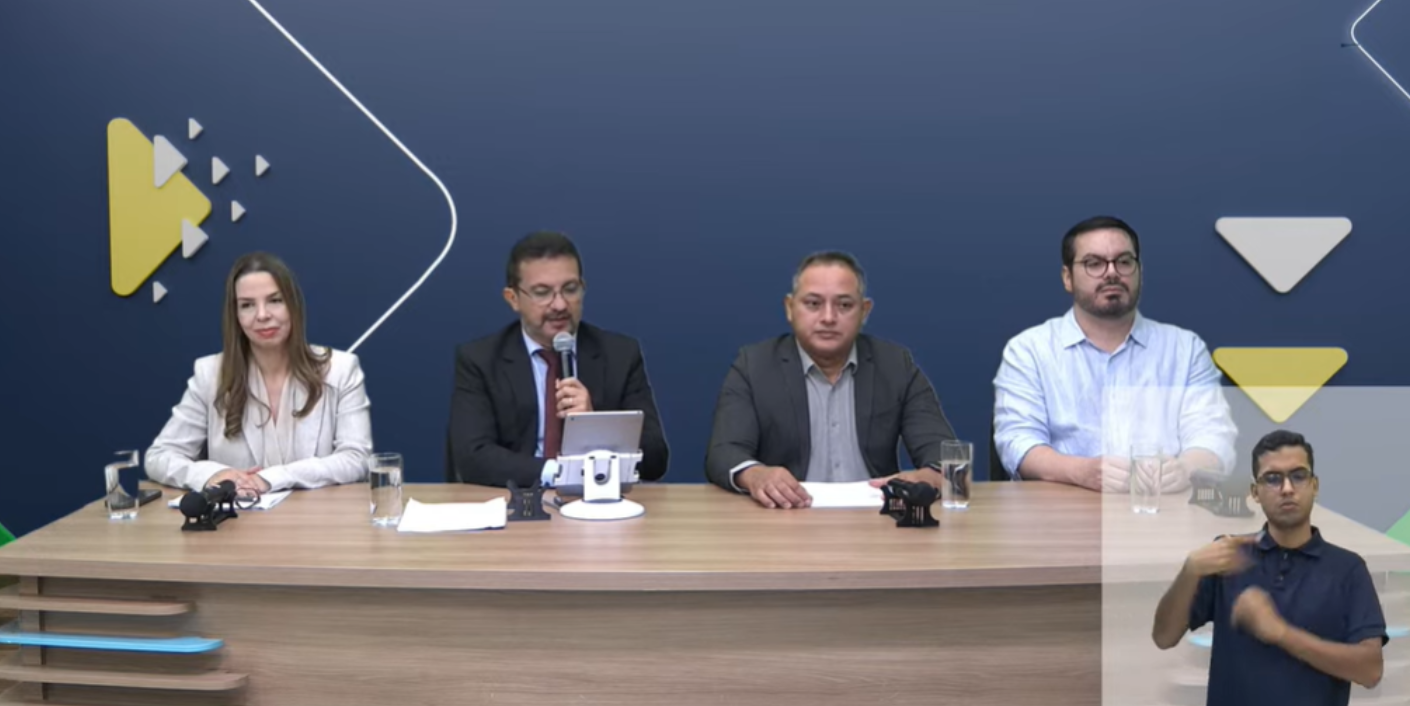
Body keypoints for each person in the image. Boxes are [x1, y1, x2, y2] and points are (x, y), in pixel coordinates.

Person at [1151, 430, 1386, 706]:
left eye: (1298, 476)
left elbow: (1370, 670)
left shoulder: (1347, 569)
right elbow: (1164, 637)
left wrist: (1281, 633)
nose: (1287, 488)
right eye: (1273, 479)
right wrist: (1190, 571)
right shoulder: (1227, 555)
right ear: (1255, 492)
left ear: (1315, 486)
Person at [992, 216, 1236, 491]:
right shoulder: (1029, 350)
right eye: (1094, 263)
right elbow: (1018, 443)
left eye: (1124, 261)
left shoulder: (1185, 349)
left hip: (1163, 505)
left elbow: (1214, 437)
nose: (1111, 273)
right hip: (1063, 507)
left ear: (1139, 271)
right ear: (1067, 278)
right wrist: (1081, 472)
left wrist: (1185, 469)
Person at [705, 251, 958, 509]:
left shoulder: (895, 365)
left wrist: (931, 476)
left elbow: (944, 451)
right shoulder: (754, 365)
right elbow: (724, 452)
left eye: (844, 305)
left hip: (876, 516)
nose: (828, 317)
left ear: (864, 311)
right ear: (790, 308)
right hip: (786, 515)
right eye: (813, 304)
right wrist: (756, 475)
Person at [448, 231, 670, 488]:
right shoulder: (481, 360)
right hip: (519, 499)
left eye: (570, 289)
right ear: (513, 299)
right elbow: (473, 457)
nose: (560, 305)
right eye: (543, 293)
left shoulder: (620, 354)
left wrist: (595, 424)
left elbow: (655, 459)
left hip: (599, 502)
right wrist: (559, 472)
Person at [145, 252, 373, 494]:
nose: (262, 315)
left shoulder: (340, 369)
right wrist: (213, 475)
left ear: (293, 306)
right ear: (236, 315)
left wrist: (273, 478)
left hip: (316, 517)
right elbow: (160, 456)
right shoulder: (210, 374)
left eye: (275, 300)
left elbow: (356, 459)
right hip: (240, 517)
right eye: (247, 305)